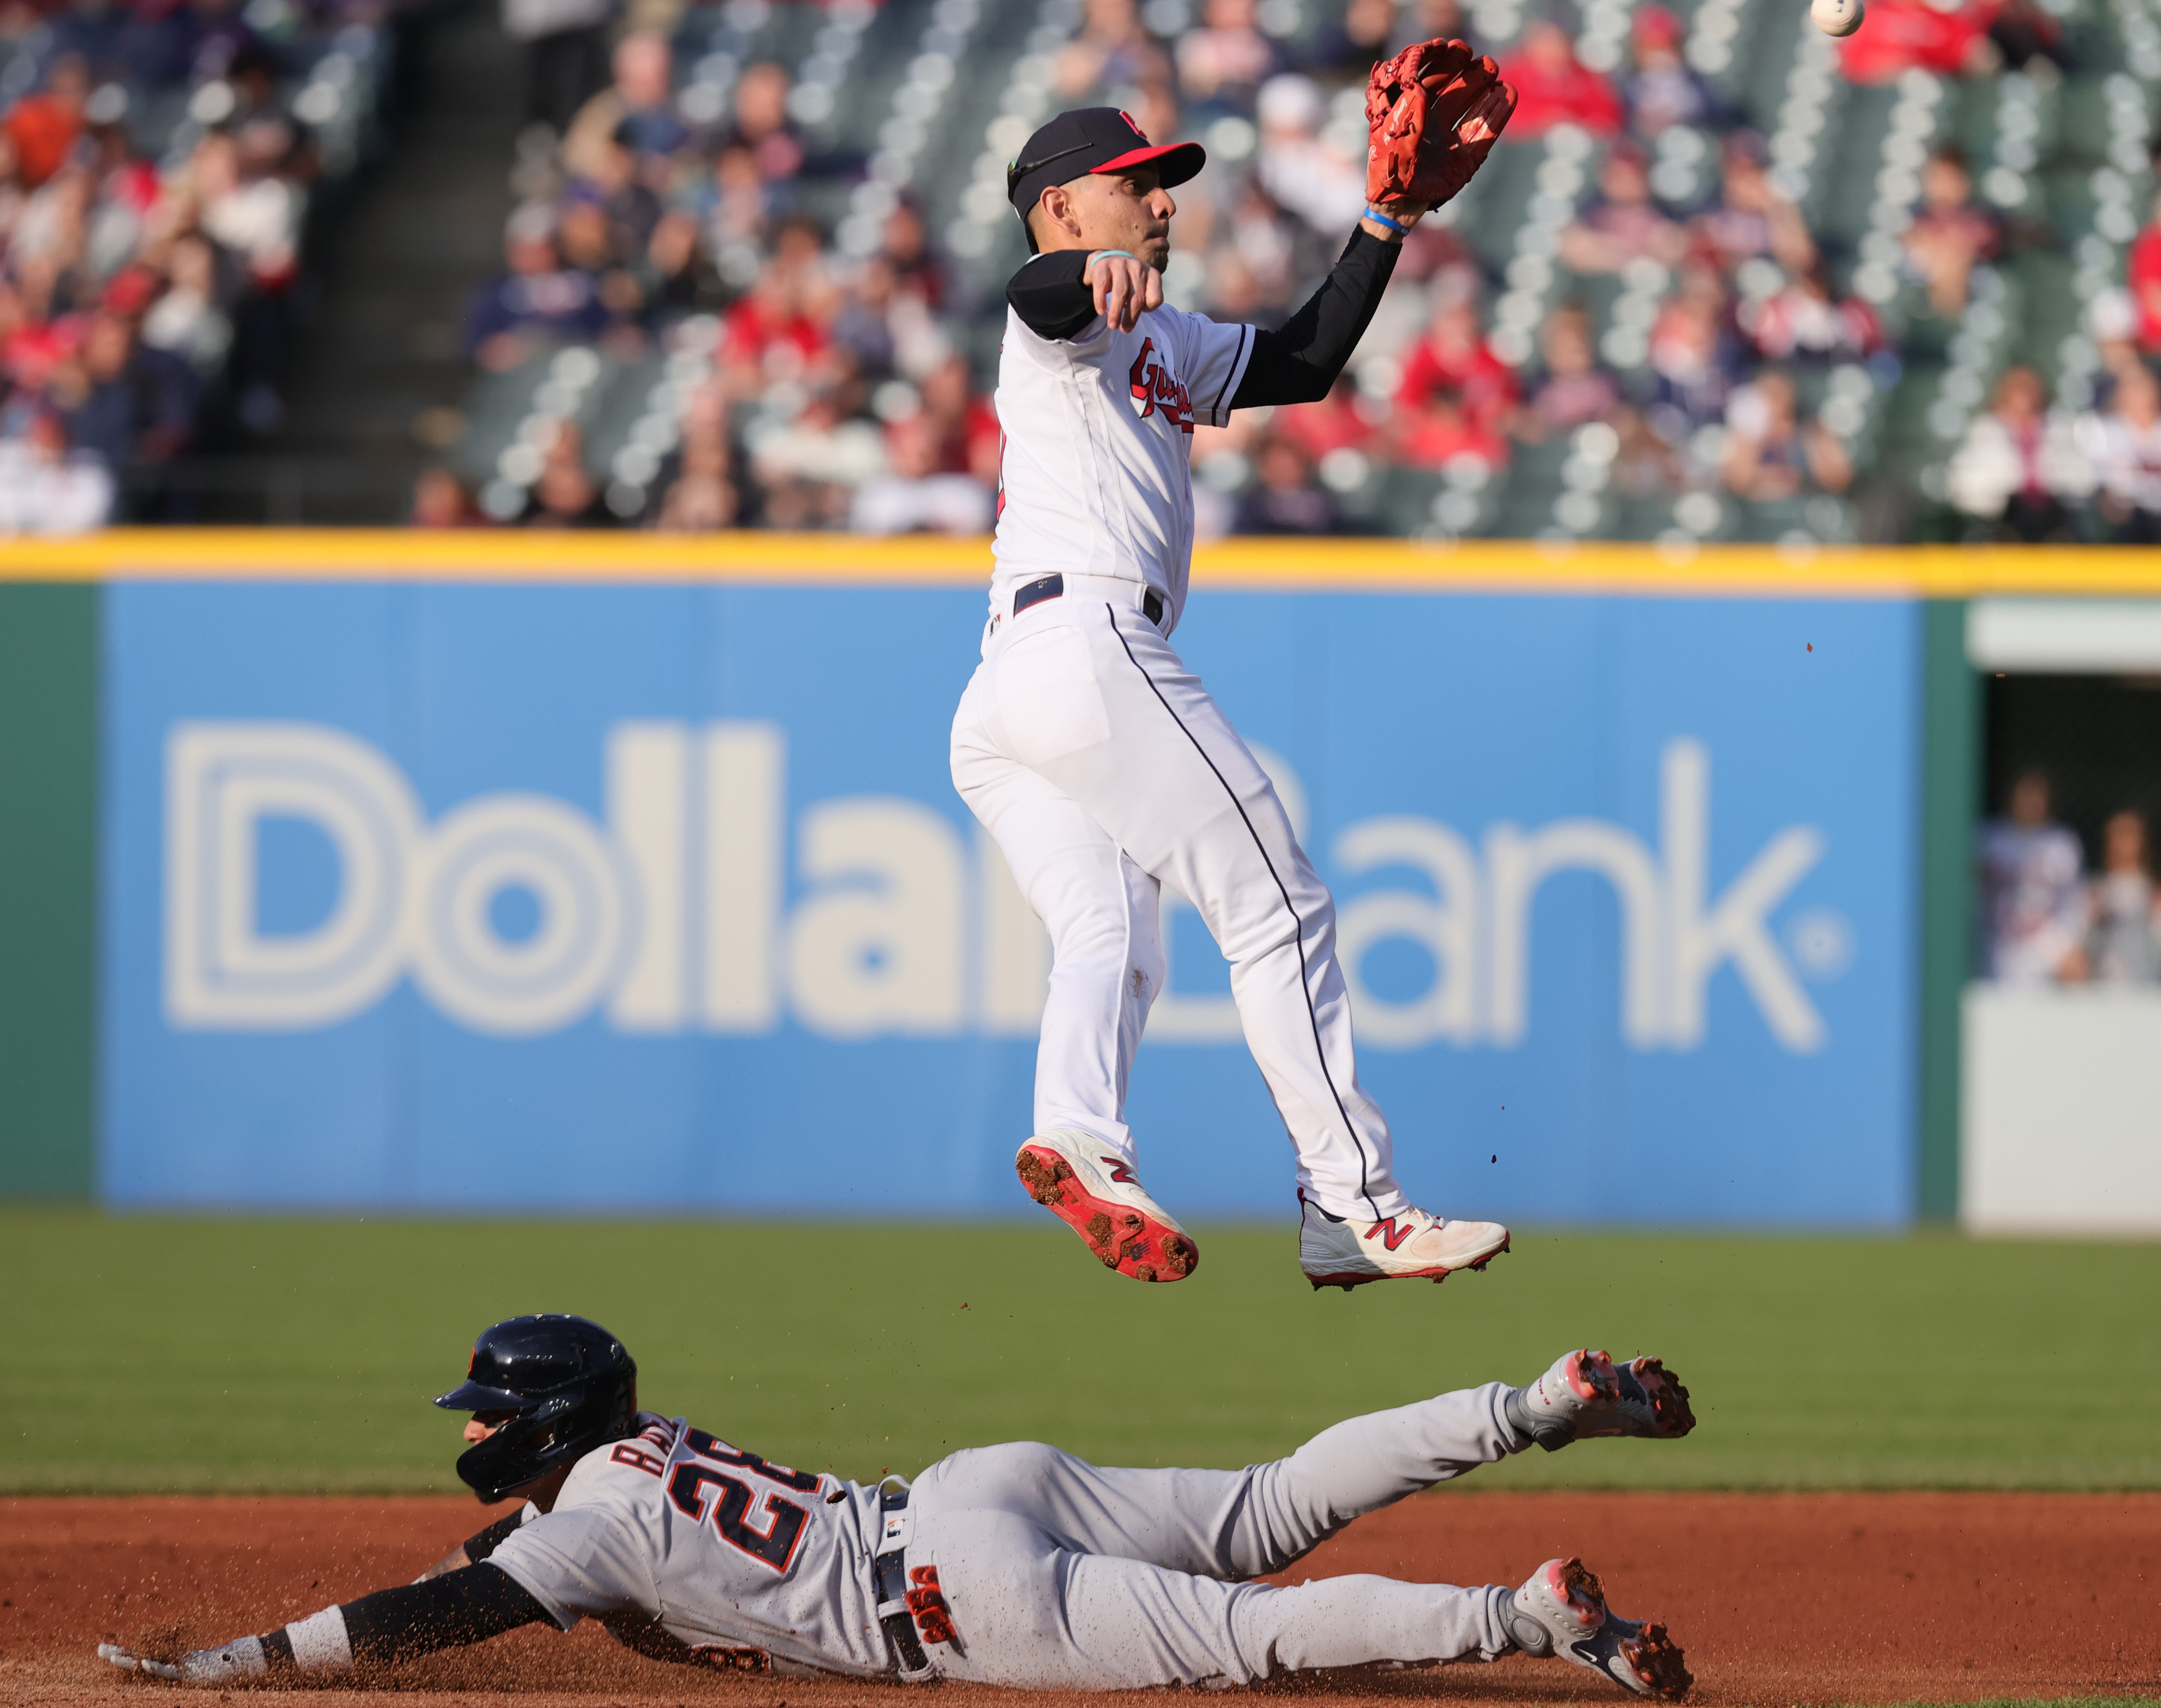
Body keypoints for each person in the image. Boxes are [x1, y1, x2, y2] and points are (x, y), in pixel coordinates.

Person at [951, 53, 1520, 1291]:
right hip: (1084, 643)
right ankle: (1354, 1203)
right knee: (1279, 902)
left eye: (1166, 185)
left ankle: (1079, 1138)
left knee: (1114, 930)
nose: (1163, 204)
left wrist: (1386, 221)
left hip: (1009, 693)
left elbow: (1305, 363)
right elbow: (1034, 294)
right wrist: (1076, 273)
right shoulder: (1062, 313)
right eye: (1135, 185)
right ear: (1063, 205)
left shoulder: (1159, 332)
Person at [96, 1313, 1697, 1696]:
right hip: (966, 1487)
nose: (481, 1434)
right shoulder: (630, 1462)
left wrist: (235, 1661)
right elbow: (486, 1560)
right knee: (1273, 1500)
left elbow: (433, 1610)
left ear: (551, 1423)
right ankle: (1532, 1402)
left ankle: (1528, 1617)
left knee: (1255, 1640)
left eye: (496, 1412)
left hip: (951, 1601)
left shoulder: (574, 1525)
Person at [1945, 365, 2093, 542]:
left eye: (2029, 387)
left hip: (2053, 509)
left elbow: (2082, 477)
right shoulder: (1986, 429)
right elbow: (1966, 483)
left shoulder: (2059, 426)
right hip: (2004, 514)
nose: (2024, 395)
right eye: (2018, 388)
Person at [1979, 770, 2089, 985]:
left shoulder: (2063, 844)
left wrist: (2065, 949)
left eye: (2037, 796)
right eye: (2024, 795)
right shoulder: (1988, 841)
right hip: (1996, 952)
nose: (2030, 802)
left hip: (2046, 957)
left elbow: (2075, 905)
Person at [2088, 809, 2161, 984]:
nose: (2123, 842)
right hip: (2100, 990)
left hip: (2145, 990)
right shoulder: (2095, 891)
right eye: (2117, 834)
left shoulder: (2153, 893)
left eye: (2129, 834)